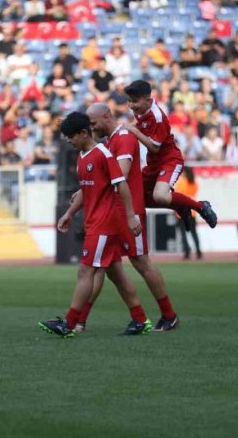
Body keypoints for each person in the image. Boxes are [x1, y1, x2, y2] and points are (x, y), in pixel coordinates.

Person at [69, 103, 180, 332]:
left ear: (106, 117)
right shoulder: (109, 142)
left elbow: (119, 175)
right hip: (112, 214)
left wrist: (129, 214)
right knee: (105, 267)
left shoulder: (125, 138)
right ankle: (82, 321)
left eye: (93, 123)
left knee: (140, 261)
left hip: (129, 212)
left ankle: (169, 314)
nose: (91, 128)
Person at [41, 112, 150, 338]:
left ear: (83, 133)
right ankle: (140, 320)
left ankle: (69, 324)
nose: (68, 140)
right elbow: (87, 190)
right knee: (117, 274)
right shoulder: (82, 156)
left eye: (71, 136)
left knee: (85, 271)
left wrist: (130, 216)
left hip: (104, 224)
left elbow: (122, 185)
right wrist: (70, 213)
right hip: (95, 223)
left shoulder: (103, 154)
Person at [123, 80, 218, 229]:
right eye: (129, 101)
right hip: (153, 163)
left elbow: (154, 147)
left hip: (170, 161)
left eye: (135, 101)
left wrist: (133, 131)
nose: (131, 105)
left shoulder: (157, 116)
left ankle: (200, 206)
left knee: (160, 196)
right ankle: (180, 206)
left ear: (148, 101)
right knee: (135, 197)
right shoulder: (141, 111)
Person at [174, 167, 202, 260]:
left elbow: (177, 196)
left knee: (183, 233)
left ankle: (187, 252)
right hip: (192, 212)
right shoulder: (194, 183)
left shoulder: (181, 182)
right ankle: (198, 251)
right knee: (194, 233)